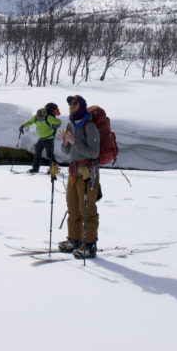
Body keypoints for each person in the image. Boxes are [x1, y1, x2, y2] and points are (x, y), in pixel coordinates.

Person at [58, 95, 100, 259]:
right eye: (69, 103)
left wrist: (74, 141)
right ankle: (74, 240)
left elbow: (94, 152)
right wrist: (65, 142)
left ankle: (89, 244)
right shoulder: (70, 124)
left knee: (87, 209)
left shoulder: (90, 127)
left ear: (81, 105)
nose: (71, 106)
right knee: (73, 207)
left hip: (88, 173)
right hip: (74, 172)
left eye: (75, 103)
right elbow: (66, 152)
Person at [19, 102, 62, 174]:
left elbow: (59, 122)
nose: (39, 118)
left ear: (43, 115)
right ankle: (35, 169)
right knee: (37, 154)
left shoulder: (48, 117)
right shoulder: (36, 117)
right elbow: (30, 122)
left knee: (50, 154)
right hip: (41, 139)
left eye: (40, 117)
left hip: (49, 139)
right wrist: (22, 126)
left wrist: (56, 126)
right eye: (38, 117)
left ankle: (54, 169)